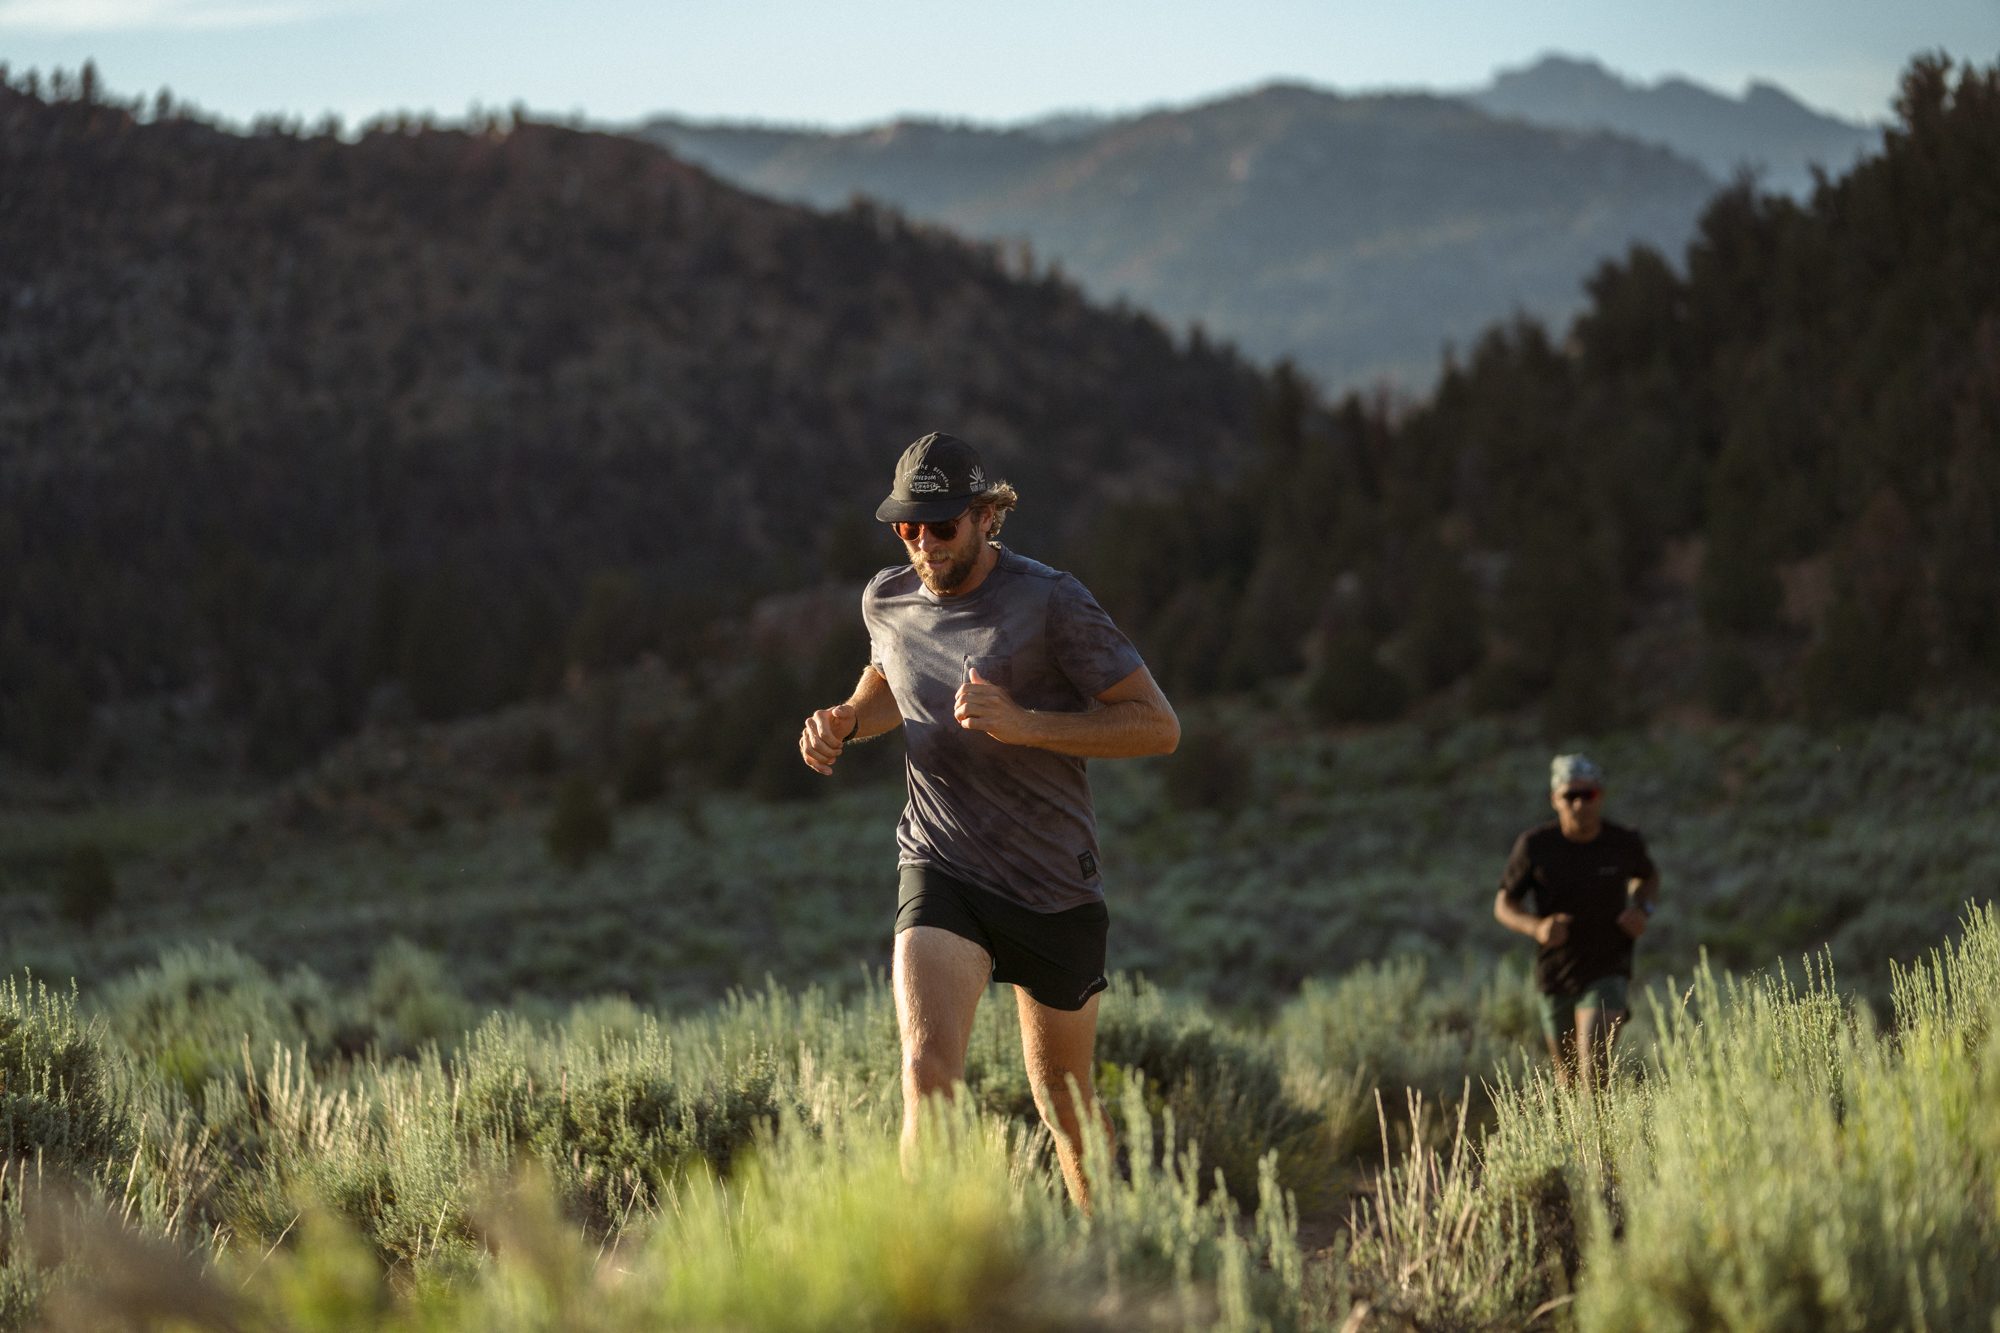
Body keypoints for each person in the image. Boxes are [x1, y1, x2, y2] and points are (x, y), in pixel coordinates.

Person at [798, 431, 1179, 1207]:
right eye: (908, 527)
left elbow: (1157, 725)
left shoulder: (1052, 601)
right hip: (944, 866)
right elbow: (889, 683)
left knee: (1064, 1101)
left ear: (984, 516)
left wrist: (1029, 723)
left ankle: (1118, 1258)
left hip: (1050, 883)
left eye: (941, 526)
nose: (923, 544)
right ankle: (933, 1284)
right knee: (926, 1072)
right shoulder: (887, 599)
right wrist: (844, 716)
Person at [1493, 753, 1659, 1088]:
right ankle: (1579, 1140)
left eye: (1589, 794)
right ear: (1555, 799)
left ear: (1601, 796)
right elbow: (1504, 903)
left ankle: (1602, 1140)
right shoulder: (1536, 846)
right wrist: (1537, 928)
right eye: (1571, 796)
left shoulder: (1622, 842)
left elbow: (1648, 878)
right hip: (1556, 972)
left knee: (1593, 1070)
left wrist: (1643, 910)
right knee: (1568, 1079)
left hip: (1608, 965)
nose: (1580, 803)